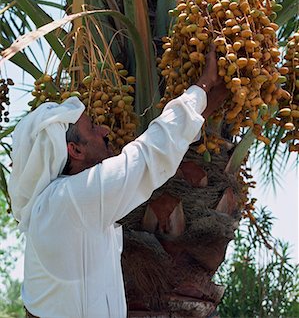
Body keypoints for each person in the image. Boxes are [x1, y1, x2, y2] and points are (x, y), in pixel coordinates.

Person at [8, 49, 227, 318]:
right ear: (75, 150)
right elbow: (146, 157)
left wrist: (199, 111)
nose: (105, 131)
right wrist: (202, 86)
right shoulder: (67, 202)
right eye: (92, 129)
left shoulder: (56, 209)